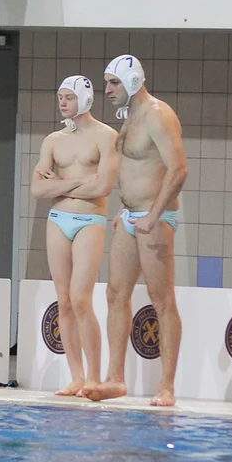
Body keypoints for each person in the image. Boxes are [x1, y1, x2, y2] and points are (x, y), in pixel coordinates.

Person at [85, 55, 188, 406]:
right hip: (130, 217)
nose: (107, 90)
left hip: (154, 219)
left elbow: (179, 170)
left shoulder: (158, 114)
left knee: (162, 301)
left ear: (132, 81)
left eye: (114, 83)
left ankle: (167, 387)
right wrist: (124, 210)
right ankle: (115, 379)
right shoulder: (130, 118)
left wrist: (153, 214)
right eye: (106, 83)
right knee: (115, 295)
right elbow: (135, 169)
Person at [32, 75, 118, 396]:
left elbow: (103, 186)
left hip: (89, 220)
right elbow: (38, 189)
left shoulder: (107, 136)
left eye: (68, 97)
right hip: (57, 221)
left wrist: (61, 183)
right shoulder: (53, 140)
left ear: (84, 100)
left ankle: (94, 377)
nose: (62, 103)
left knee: (82, 299)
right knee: (64, 301)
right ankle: (77, 377)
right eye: (59, 98)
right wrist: (74, 184)